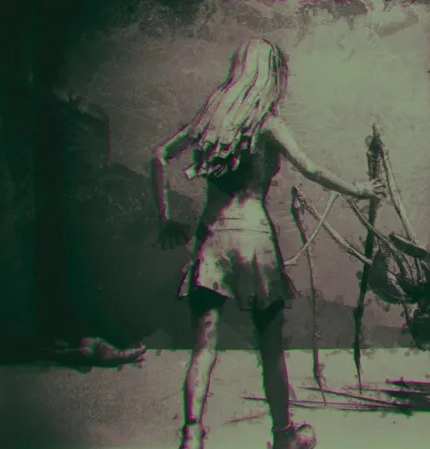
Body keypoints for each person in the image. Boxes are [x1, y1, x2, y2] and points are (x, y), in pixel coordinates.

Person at [149, 38, 386, 449]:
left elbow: (157, 156)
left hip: (211, 236)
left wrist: (165, 218)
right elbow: (310, 168)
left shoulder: (209, 120)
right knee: (271, 346)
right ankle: (283, 436)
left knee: (204, 345)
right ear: (272, 75)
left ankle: (191, 434)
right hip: (254, 238)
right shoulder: (269, 125)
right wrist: (360, 189)